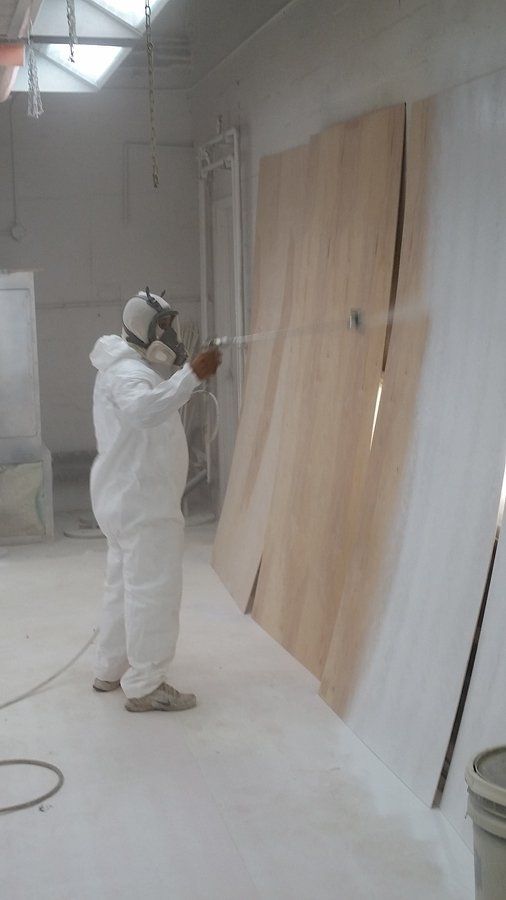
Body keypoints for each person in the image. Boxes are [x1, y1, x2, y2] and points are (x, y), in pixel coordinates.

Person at [89, 288, 221, 712]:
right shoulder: (129, 375)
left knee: (122, 587)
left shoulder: (127, 368)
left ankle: (110, 669)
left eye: (170, 326)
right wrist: (191, 376)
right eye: (162, 326)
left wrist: (184, 379)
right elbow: (144, 411)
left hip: (126, 499)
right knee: (153, 592)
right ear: (141, 329)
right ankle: (146, 685)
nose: (170, 334)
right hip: (143, 503)